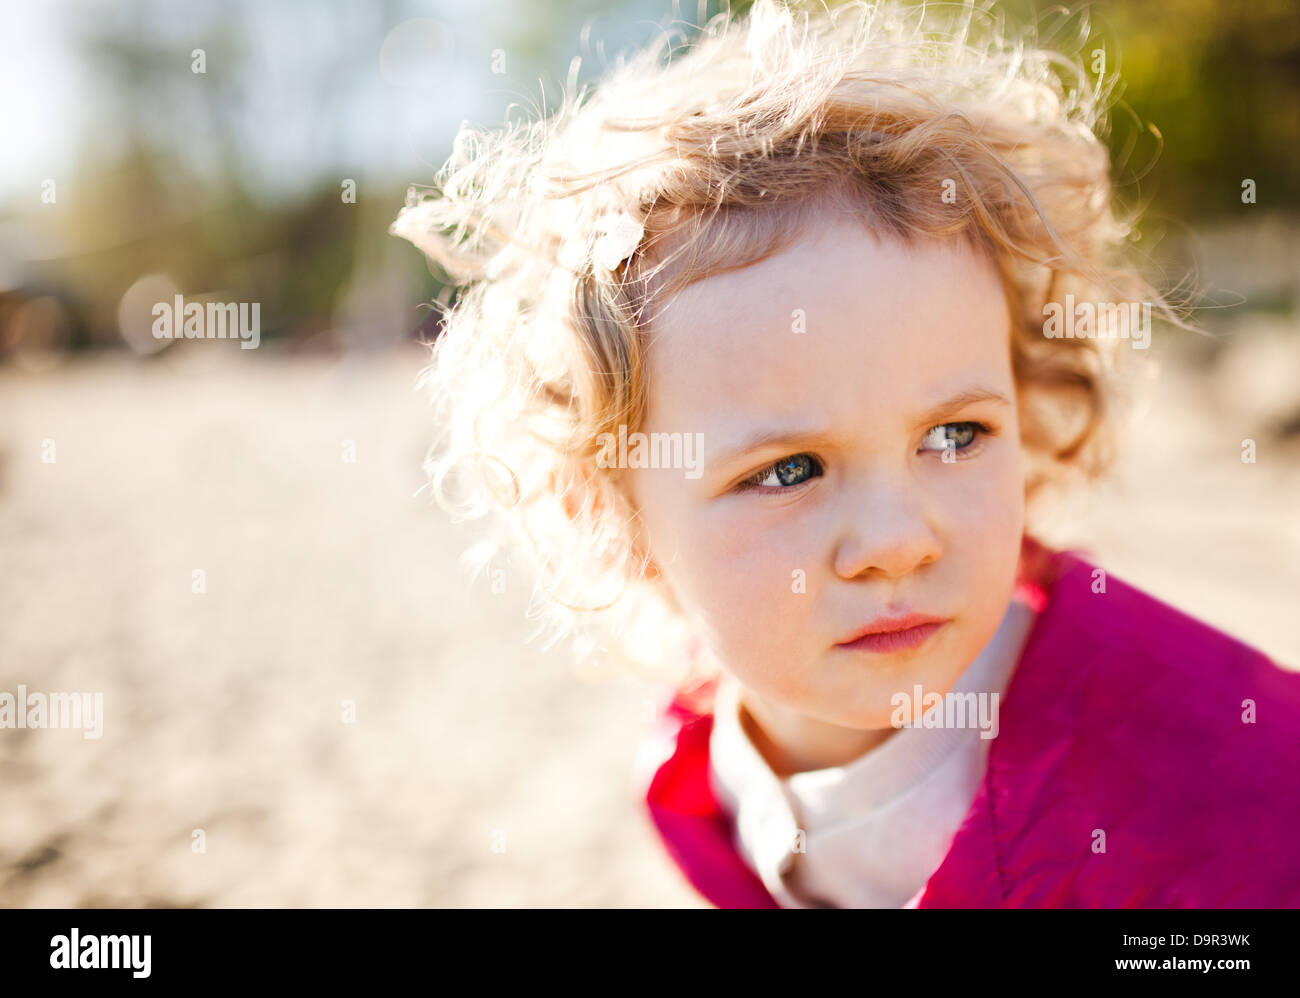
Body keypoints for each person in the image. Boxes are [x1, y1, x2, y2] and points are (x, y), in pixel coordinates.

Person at [391, 0, 1300, 907]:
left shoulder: (1215, 774)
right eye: (787, 470)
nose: (898, 540)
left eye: (955, 435)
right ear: (610, 511)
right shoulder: (702, 781)